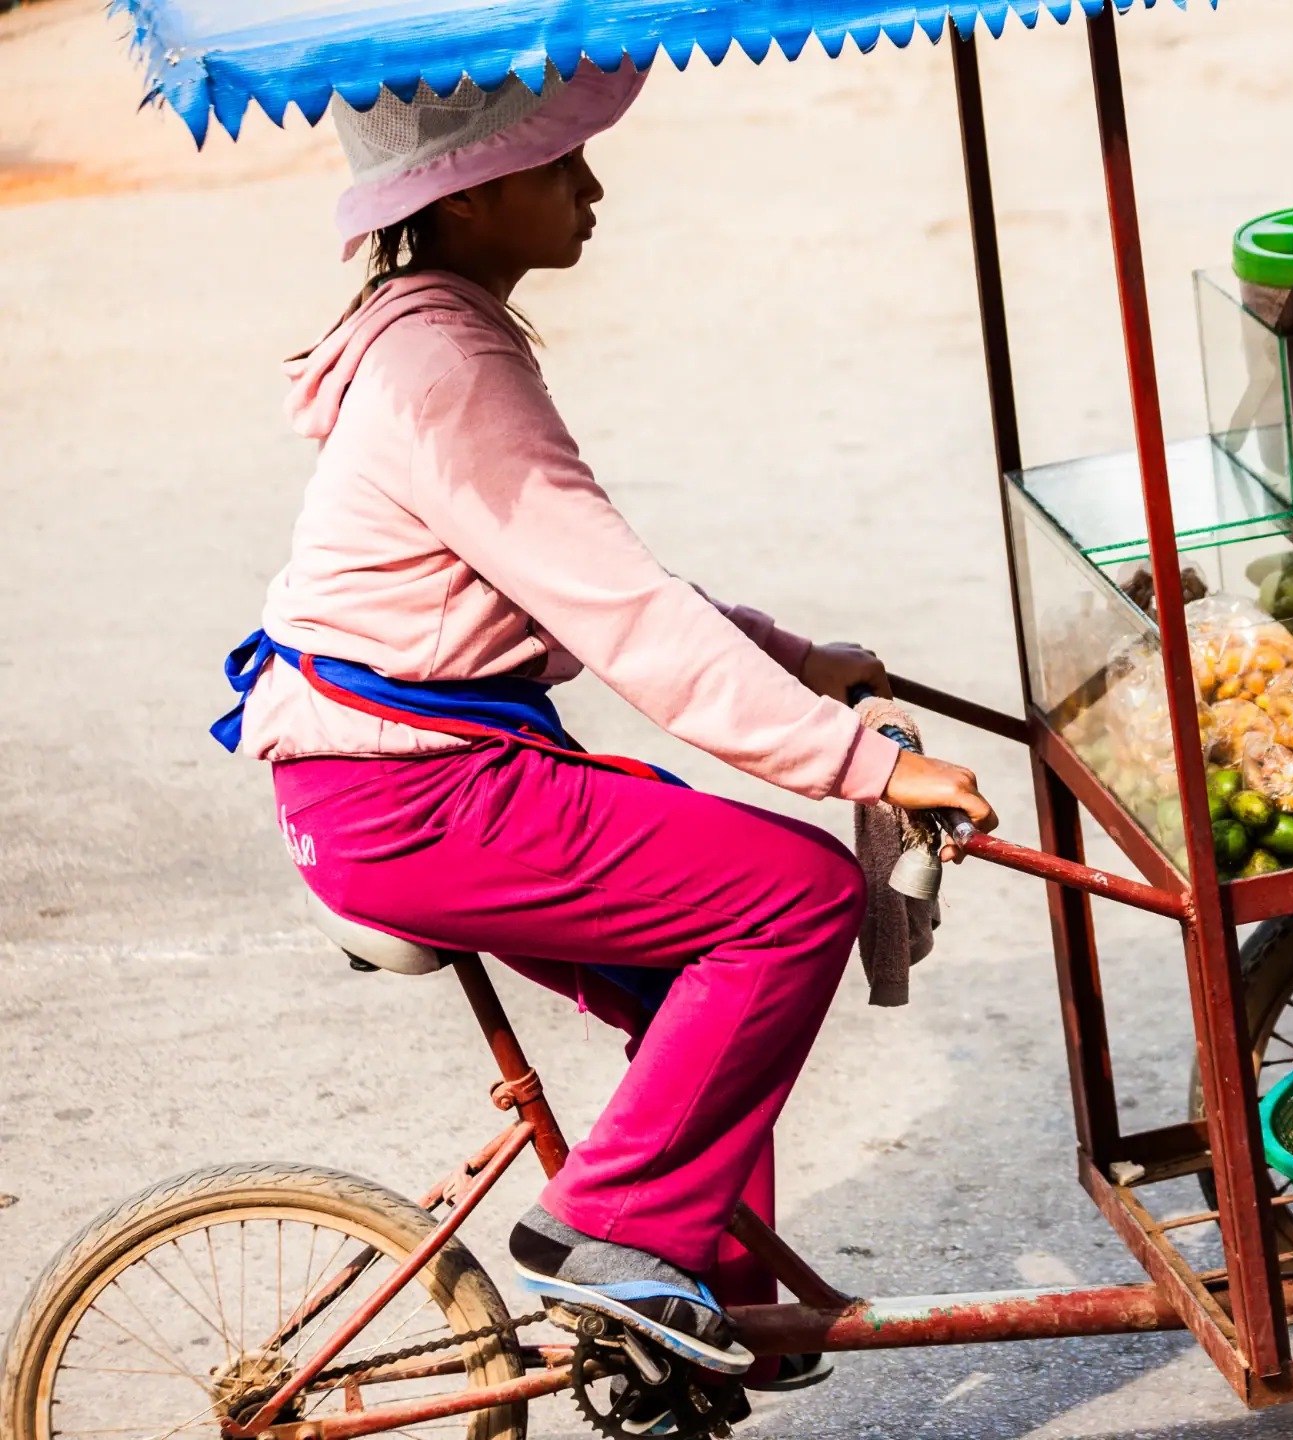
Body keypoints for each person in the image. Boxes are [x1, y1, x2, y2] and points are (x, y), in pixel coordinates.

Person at [212, 60, 996, 1397]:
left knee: (701, 993)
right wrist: (863, 762)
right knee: (794, 895)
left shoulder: (432, 329)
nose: (591, 185)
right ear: (466, 196)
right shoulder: (448, 364)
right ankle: (614, 1229)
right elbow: (624, 613)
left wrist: (794, 658)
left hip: (403, 781)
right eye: (557, 162)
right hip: (416, 798)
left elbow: (587, 575)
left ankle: (694, 1311)